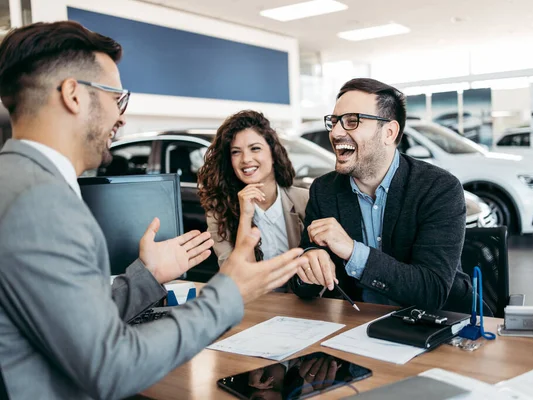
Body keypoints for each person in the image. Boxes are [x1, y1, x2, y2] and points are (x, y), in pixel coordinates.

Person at [0, 21, 307, 399]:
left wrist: (148, 276)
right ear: (73, 95)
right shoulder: (41, 202)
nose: (121, 118)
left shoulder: (15, 182)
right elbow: (111, 366)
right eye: (117, 98)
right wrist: (228, 294)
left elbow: (72, 320)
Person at [289, 78, 478, 314]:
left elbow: (432, 291)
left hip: (442, 324)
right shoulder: (324, 190)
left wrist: (352, 250)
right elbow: (303, 284)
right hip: (359, 324)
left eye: (351, 121)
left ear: (389, 132)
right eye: (335, 121)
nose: (336, 132)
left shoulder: (439, 188)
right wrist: (310, 265)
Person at [198, 110, 309, 266]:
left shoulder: (305, 200)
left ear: (273, 153)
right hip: (254, 291)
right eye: (236, 152)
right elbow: (239, 276)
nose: (246, 159)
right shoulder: (219, 211)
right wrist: (245, 217)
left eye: (255, 148)